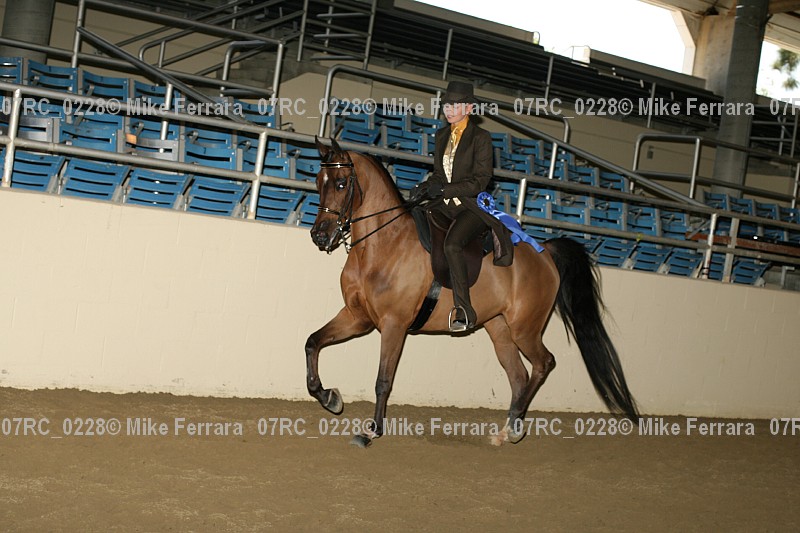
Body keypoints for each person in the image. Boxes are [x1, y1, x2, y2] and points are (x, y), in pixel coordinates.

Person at [411, 80, 508, 332]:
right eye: (446, 105)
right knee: (413, 216)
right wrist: (426, 186)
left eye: (454, 105)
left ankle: (464, 310)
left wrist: (445, 190)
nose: (449, 110)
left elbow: (480, 181)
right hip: (444, 203)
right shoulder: (441, 136)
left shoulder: (481, 138)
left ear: (469, 108)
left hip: (470, 206)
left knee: (452, 244)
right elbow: (439, 174)